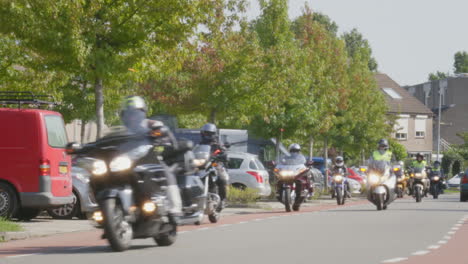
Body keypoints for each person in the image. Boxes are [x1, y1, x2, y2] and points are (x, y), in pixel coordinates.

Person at [120, 95, 182, 223]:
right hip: (128, 162)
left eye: (135, 113)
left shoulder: (150, 124)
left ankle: (175, 209)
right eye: (129, 113)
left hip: (149, 158)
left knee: (166, 172)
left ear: (142, 113)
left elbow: (164, 133)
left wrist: (163, 135)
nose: (132, 116)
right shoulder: (121, 131)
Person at [200, 123, 229, 210]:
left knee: (222, 178)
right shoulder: (200, 144)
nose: (207, 135)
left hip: (215, 164)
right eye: (205, 133)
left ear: (213, 134)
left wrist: (223, 155)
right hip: (203, 166)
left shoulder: (218, 144)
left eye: (209, 133)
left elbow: (224, 152)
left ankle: (223, 199)